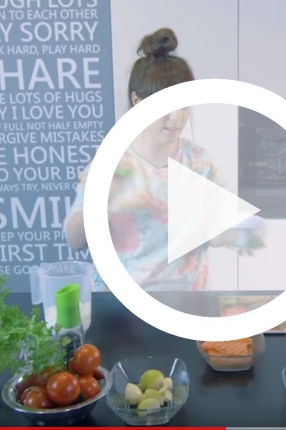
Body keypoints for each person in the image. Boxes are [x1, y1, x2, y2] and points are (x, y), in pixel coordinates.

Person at [64, 28, 264, 292]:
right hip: (124, 304)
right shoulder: (113, 163)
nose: (176, 117)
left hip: (191, 303)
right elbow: (75, 240)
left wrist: (237, 233)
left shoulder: (199, 162)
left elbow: (218, 231)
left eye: (184, 105)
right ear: (137, 101)